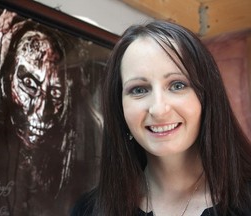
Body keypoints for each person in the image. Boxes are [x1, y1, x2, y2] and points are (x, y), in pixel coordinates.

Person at [71, 20, 251, 215]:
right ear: (119, 107)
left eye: (177, 85)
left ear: (208, 96)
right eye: (139, 89)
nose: (158, 109)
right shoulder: (88, 210)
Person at [0, 10, 76, 215]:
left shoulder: (69, 162)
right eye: (29, 84)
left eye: (56, 92)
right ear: (6, 79)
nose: (43, 111)